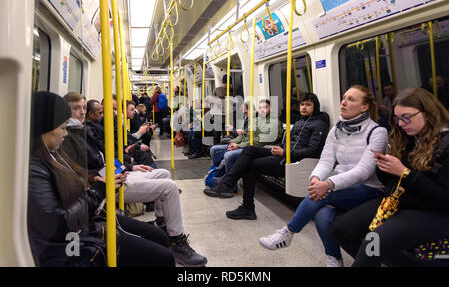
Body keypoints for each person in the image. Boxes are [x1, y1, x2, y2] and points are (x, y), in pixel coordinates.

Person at [27, 91, 175, 267]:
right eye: (62, 127)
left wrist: (100, 179)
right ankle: (176, 238)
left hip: (90, 215)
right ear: (46, 128)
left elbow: (96, 161)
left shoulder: (56, 152)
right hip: (75, 239)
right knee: (164, 257)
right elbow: (58, 224)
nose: (65, 133)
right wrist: (99, 189)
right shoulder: (36, 167)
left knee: (160, 237)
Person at [64, 93, 208, 267]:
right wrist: (123, 168)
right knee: (169, 187)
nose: (81, 112)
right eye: (76, 108)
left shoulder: (86, 130)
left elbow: (104, 158)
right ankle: (177, 240)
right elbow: (93, 169)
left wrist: (129, 167)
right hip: (106, 184)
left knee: (163, 173)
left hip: (114, 173)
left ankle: (163, 223)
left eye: (83, 108)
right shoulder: (76, 136)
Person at [259, 85, 388, 267]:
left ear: (365, 106)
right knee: (322, 215)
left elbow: (364, 171)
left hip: (368, 189)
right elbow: (326, 160)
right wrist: (316, 178)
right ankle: (334, 259)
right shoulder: (336, 129)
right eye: (344, 98)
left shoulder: (377, 132)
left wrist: (328, 184)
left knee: (320, 195)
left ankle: (288, 232)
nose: (343, 102)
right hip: (339, 186)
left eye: (351, 99)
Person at [332, 87, 449, 267]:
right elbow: (392, 184)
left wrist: (404, 173)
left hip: (434, 212)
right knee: (342, 229)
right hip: (401, 201)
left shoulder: (445, 144)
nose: (401, 124)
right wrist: (383, 168)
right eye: (397, 118)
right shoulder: (408, 138)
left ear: (427, 113)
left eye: (406, 117)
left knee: (374, 242)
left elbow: (443, 199)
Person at [205, 93, 330, 221]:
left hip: (292, 160)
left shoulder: (320, 125)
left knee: (250, 165)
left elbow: (313, 151)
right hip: (284, 153)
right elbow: (288, 142)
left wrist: (284, 153)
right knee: (248, 150)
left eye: (308, 105)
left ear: (315, 106)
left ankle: (244, 204)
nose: (304, 107)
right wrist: (278, 147)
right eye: (302, 104)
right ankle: (228, 185)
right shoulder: (298, 123)